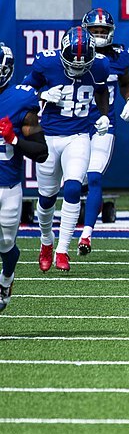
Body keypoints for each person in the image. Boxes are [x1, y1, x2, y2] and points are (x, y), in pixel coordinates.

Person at [24, 28, 110, 273]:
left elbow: (102, 90)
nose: (78, 68)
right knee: (46, 197)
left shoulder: (101, 65)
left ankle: (62, 249)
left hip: (78, 136)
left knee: (73, 187)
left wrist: (104, 115)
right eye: (72, 63)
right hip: (48, 136)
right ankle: (46, 242)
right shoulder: (46, 63)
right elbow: (23, 91)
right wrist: (42, 94)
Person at [75, 9, 129, 256]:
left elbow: (125, 83)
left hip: (103, 124)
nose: (99, 35)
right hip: (73, 125)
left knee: (95, 176)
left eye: (103, 31)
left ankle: (86, 234)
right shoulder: (74, 53)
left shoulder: (118, 56)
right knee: (73, 181)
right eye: (94, 31)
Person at [0, 44, 48, 312]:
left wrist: (14, 138)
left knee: (6, 243)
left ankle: (6, 279)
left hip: (8, 187)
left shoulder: (20, 100)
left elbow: (41, 152)